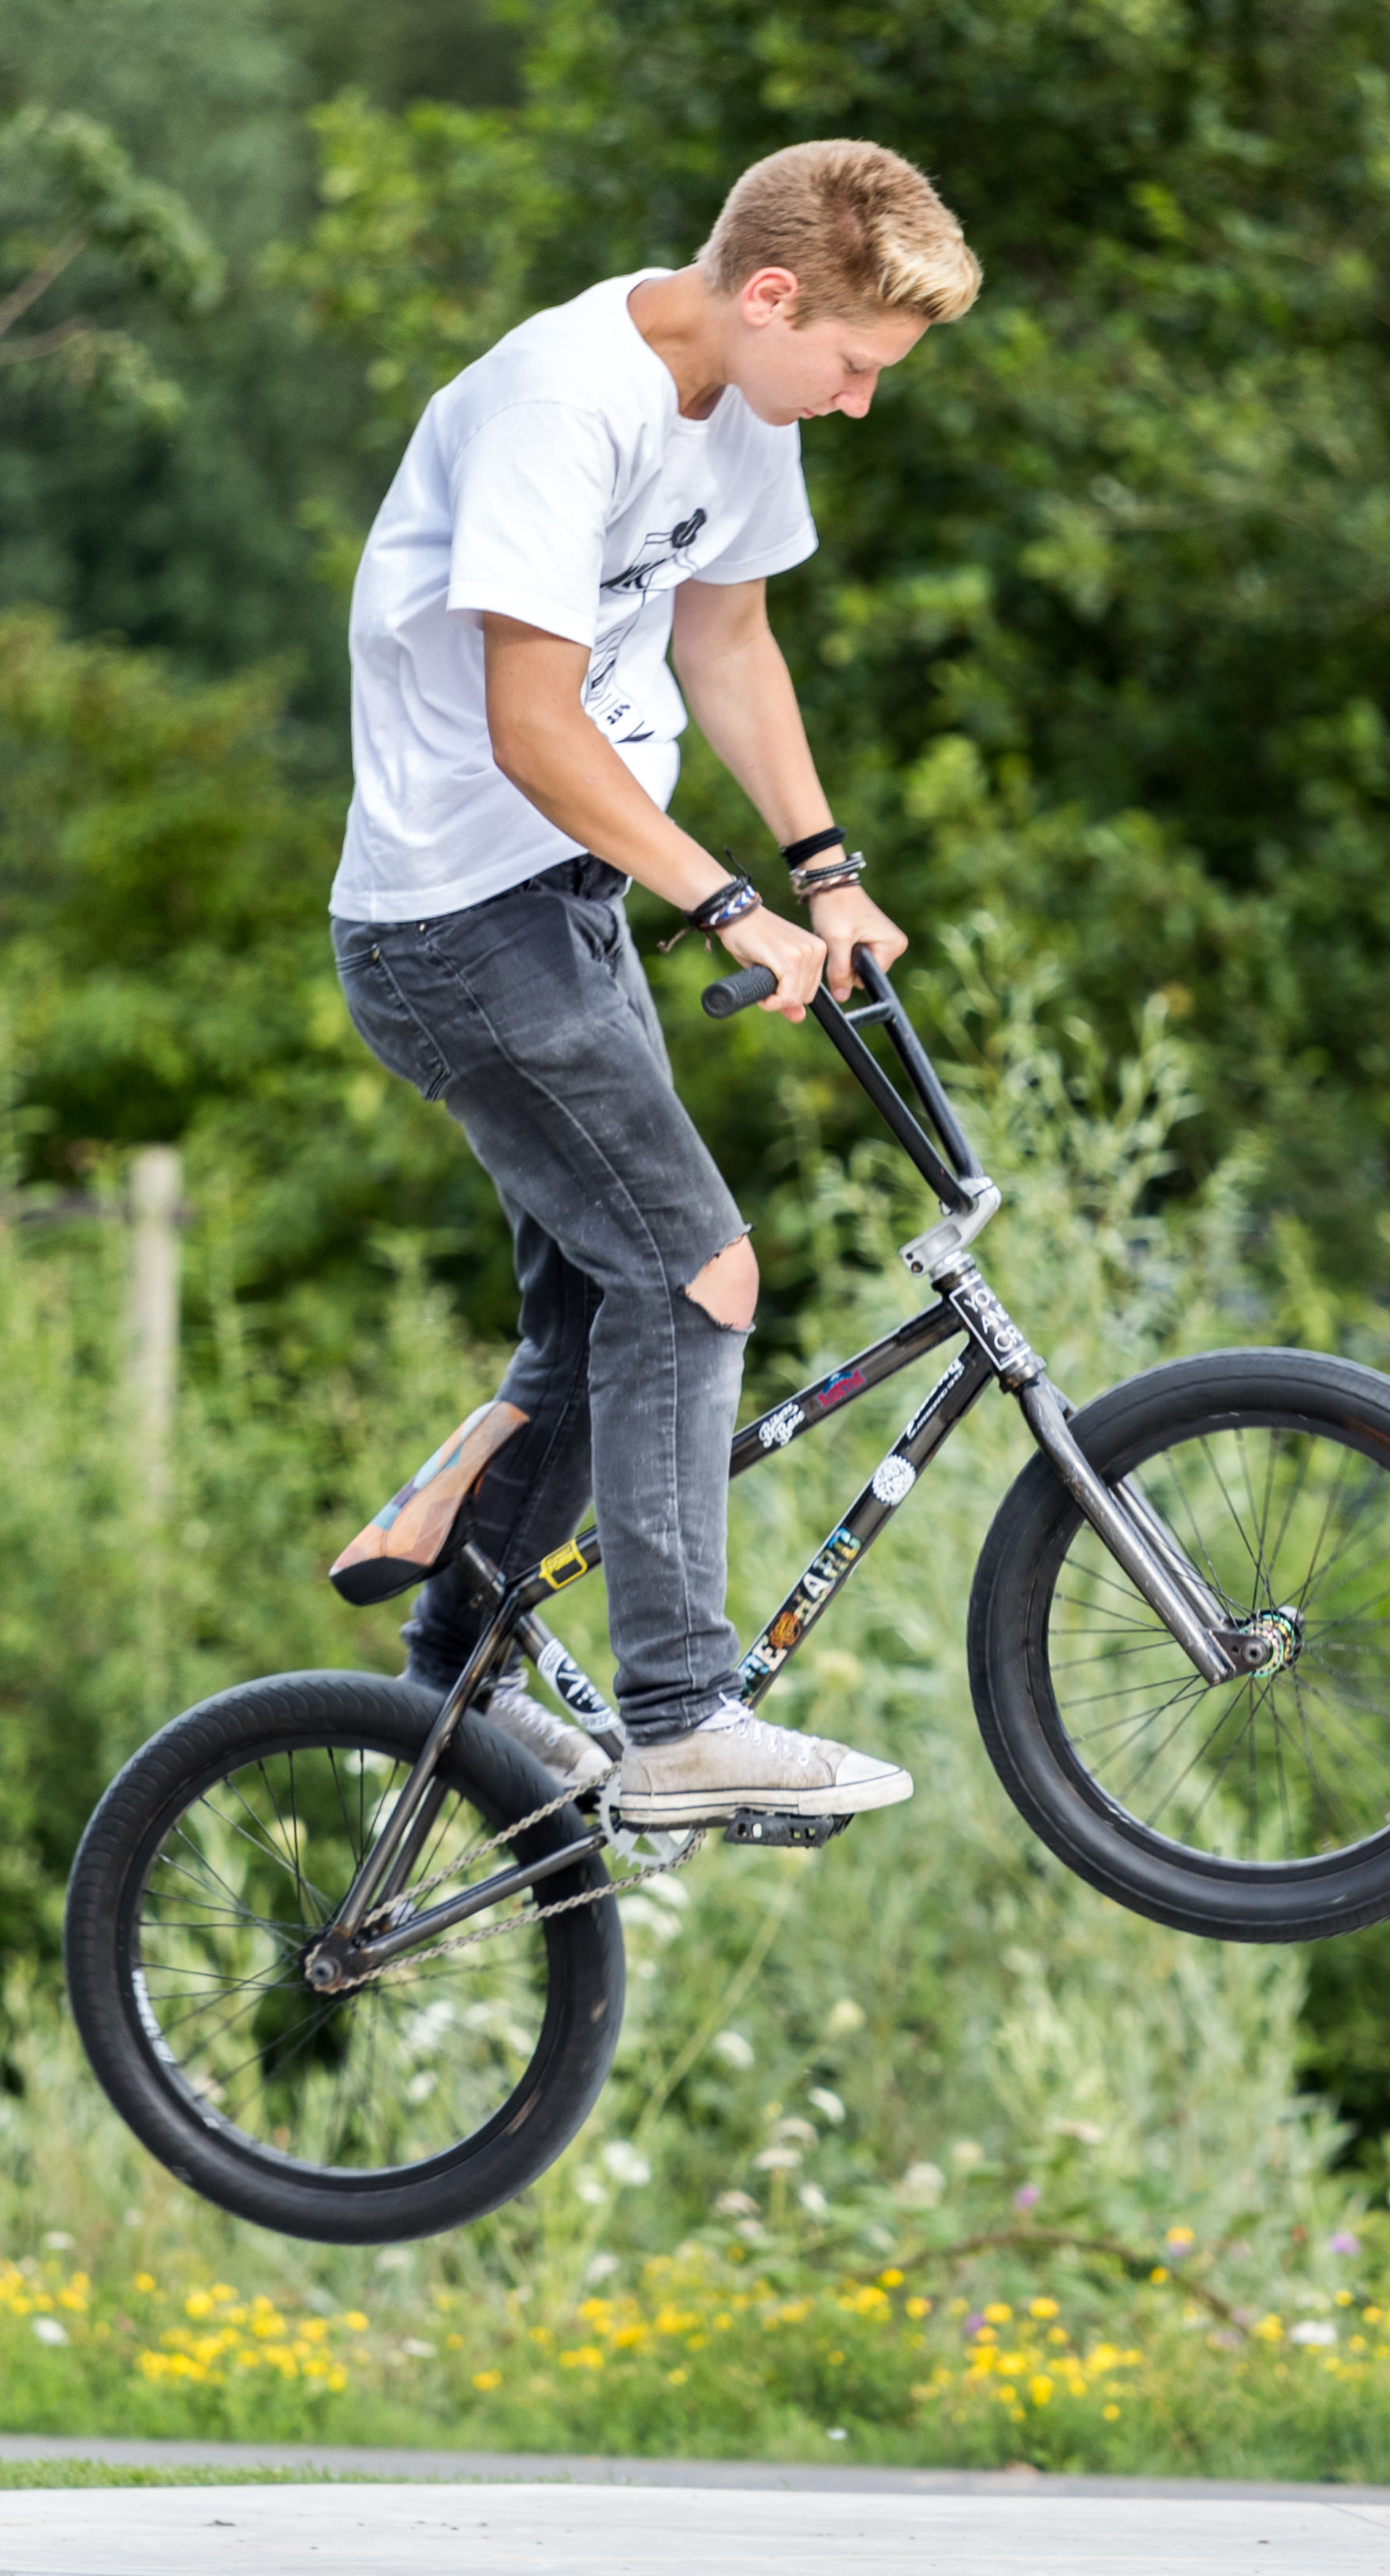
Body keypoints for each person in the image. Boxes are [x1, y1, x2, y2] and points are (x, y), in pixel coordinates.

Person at [324, 140, 978, 1828]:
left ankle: (450, 1684)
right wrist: (731, 905)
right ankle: (680, 1714)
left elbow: (727, 643)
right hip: (453, 926)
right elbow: (530, 726)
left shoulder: (743, 406)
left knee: (592, 1311)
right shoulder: (561, 402)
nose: (857, 404)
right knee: (698, 1274)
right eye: (854, 366)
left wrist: (825, 868)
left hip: (565, 909)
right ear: (770, 296)